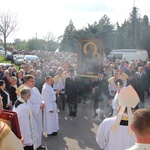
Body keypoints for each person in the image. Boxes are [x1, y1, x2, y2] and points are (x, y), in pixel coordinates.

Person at [96, 85, 140, 150]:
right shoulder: (138, 126)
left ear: (119, 107)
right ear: (133, 109)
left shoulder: (107, 123)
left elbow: (100, 142)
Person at [22, 75, 46, 150]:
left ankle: (39, 144)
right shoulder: (25, 91)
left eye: (34, 81)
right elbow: (27, 104)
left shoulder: (35, 89)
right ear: (26, 82)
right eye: (31, 81)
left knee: (39, 129)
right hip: (32, 115)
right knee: (34, 131)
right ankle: (35, 146)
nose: (33, 83)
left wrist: (42, 103)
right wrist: (39, 107)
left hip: (38, 113)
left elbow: (41, 97)